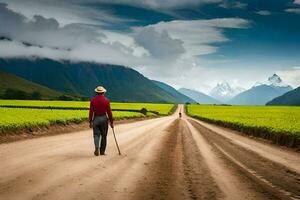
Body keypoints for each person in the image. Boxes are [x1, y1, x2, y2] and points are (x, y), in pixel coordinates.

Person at [89, 86, 114, 156]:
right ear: (103, 92)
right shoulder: (106, 100)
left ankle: (97, 148)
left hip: (96, 118)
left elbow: (91, 112)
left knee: (96, 135)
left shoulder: (92, 100)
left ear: (96, 92)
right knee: (104, 135)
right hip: (104, 118)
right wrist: (111, 122)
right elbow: (109, 112)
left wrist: (90, 121)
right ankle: (102, 151)